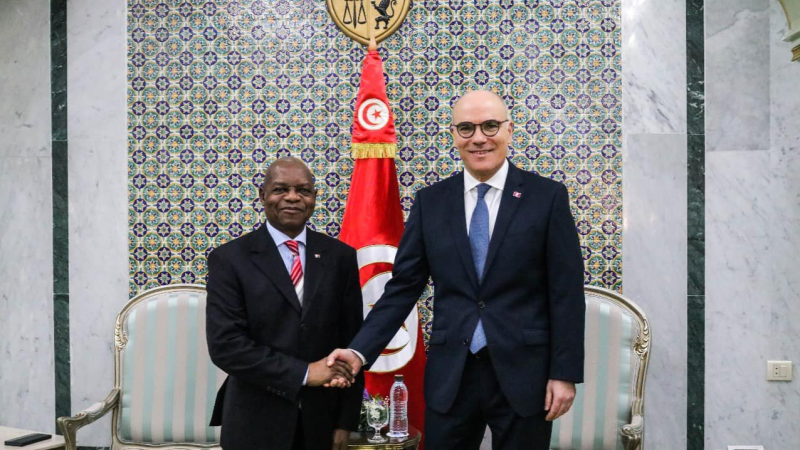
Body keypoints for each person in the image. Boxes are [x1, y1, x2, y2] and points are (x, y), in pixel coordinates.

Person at [327, 90, 586, 449]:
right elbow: (402, 288)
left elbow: (566, 294)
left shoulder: (547, 197)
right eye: (466, 128)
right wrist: (358, 352)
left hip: (525, 374)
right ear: (453, 135)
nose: (479, 138)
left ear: (509, 130)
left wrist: (564, 373)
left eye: (490, 126)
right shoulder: (431, 202)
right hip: (452, 375)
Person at [206, 157, 364, 450]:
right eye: (281, 189)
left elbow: (352, 340)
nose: (292, 197)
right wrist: (305, 373)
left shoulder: (340, 257)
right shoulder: (229, 259)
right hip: (254, 421)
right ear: (262, 195)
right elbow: (226, 346)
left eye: (303, 190)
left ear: (314, 197)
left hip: (322, 421)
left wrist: (345, 421)